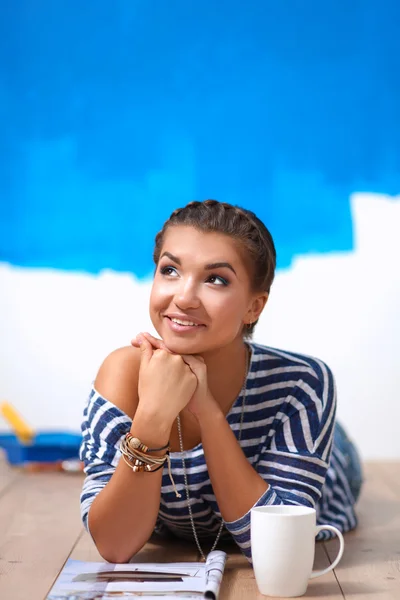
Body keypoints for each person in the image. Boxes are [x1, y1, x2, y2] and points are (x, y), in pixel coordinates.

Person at [79, 199, 362, 564]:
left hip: (326, 465)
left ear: (253, 307)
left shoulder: (303, 382)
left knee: (330, 450)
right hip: (202, 510)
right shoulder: (122, 376)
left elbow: (277, 548)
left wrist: (208, 411)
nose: (183, 297)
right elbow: (115, 545)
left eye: (216, 279)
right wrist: (151, 417)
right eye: (170, 270)